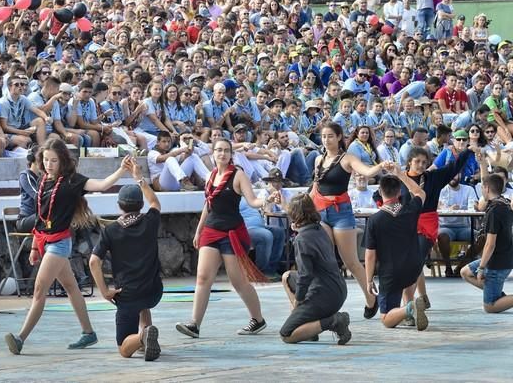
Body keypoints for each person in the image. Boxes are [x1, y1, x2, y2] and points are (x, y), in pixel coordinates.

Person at [4, 140, 134, 355]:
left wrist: (121, 169)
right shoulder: (44, 181)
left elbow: (101, 185)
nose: (49, 164)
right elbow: (42, 220)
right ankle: (88, 332)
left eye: (54, 160)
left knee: (39, 290)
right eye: (46, 160)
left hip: (60, 243)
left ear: (63, 160)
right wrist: (36, 246)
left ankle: (20, 338)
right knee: (71, 287)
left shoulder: (73, 181)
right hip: (46, 240)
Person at [175, 138, 278, 338]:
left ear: (231, 154)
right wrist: (198, 230)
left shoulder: (238, 175)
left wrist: (266, 199)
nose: (222, 154)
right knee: (203, 277)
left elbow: (252, 200)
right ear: (213, 154)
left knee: (238, 281)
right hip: (211, 230)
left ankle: (257, 319)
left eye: (226, 151)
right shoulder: (210, 176)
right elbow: (208, 205)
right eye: (218, 150)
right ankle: (194, 324)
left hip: (231, 231)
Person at [311, 122, 392, 319]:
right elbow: (315, 187)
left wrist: (381, 165)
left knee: (351, 262)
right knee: (323, 255)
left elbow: (366, 171)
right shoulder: (318, 159)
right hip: (321, 211)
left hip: (341, 212)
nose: (326, 140)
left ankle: (371, 298)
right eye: (323, 136)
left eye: (330, 136)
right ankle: (323, 301)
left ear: (339, 137)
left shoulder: (347, 158)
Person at [89, 159, 163, 361]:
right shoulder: (150, 221)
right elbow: (155, 202)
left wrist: (105, 292)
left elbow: (94, 262)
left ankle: (142, 337)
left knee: (123, 348)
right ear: (140, 204)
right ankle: (147, 333)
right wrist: (139, 178)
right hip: (153, 291)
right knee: (143, 303)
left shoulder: (110, 231)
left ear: (119, 205)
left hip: (128, 295)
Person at [396, 145, 474, 309]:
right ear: (409, 162)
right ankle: (420, 298)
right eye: (417, 161)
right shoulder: (400, 178)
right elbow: (381, 195)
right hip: (406, 224)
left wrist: (468, 150)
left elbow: (454, 166)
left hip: (427, 224)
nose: (421, 165)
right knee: (411, 263)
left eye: (425, 162)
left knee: (414, 262)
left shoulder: (433, 177)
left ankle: (408, 307)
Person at [279, 194, 351, 345]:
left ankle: (333, 321)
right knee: (287, 277)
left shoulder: (302, 239)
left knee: (287, 334)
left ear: (295, 218)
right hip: (338, 289)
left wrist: (298, 302)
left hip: (324, 295)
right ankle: (309, 328)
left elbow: (305, 275)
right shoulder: (321, 229)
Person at [365, 169, 429, 331]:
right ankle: (408, 308)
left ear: (380, 192)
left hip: (391, 272)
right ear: (399, 192)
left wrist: (369, 279)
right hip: (414, 267)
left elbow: (370, 254)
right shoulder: (410, 209)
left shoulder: (374, 220)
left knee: (386, 319)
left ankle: (410, 308)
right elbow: (419, 192)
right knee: (407, 280)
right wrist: (401, 175)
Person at [461, 174, 513, 313]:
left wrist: (482, 267)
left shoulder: (495, 211)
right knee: (465, 272)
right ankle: (493, 290)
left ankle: (495, 295)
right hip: (503, 256)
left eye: (482, 187)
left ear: (487, 188)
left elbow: (490, 244)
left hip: (497, 262)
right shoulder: (505, 204)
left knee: (490, 306)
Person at [16, 146, 39, 233]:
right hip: (25, 220)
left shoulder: (43, 177)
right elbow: (36, 195)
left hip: (38, 217)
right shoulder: (25, 175)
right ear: (32, 158)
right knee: (48, 215)